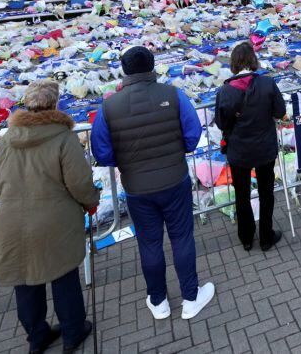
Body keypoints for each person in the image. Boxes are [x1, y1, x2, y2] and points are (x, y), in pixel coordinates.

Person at [91, 46, 216, 321]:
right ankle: (190, 298)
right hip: (175, 180)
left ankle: (158, 301)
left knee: (149, 243)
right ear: (152, 67)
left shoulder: (109, 107)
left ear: (124, 71)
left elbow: (101, 152)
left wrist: (126, 161)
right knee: (182, 237)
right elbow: (193, 134)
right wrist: (174, 151)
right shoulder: (172, 95)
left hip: (137, 188)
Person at [0, 80, 100, 354]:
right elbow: (80, 183)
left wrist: (14, 197)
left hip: (12, 224)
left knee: (25, 282)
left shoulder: (6, 140)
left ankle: (37, 337)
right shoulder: (63, 137)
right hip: (55, 222)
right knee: (63, 277)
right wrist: (91, 201)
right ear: (55, 104)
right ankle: (72, 333)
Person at [214, 42, 287, 251]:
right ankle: (266, 237)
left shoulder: (225, 90)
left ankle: (246, 238)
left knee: (242, 194)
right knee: (266, 193)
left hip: (239, 151)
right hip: (264, 148)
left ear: (234, 63)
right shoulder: (267, 83)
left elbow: (220, 122)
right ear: (253, 61)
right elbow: (279, 111)